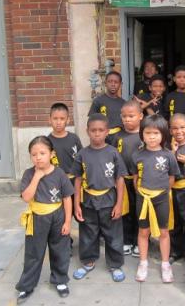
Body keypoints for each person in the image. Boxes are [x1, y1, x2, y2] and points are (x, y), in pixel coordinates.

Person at [16, 136, 73, 304]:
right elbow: (26, 197)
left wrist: (68, 222)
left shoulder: (60, 173)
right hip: (37, 218)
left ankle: (60, 280)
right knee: (34, 253)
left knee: (60, 250)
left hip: (58, 216)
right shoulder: (29, 173)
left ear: (51, 154)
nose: (38, 157)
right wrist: (37, 176)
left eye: (42, 153)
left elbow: (67, 198)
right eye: (34, 154)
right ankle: (27, 285)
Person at [72, 113, 128, 282]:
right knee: (88, 232)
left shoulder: (113, 153)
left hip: (109, 200)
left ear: (107, 132)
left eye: (101, 130)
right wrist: (76, 205)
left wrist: (119, 204)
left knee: (113, 234)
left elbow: (120, 179)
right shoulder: (82, 154)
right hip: (88, 199)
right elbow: (77, 180)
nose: (97, 133)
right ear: (87, 131)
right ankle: (88, 261)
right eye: (93, 130)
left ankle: (115, 264)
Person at [131, 114, 180, 283]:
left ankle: (165, 264)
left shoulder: (168, 155)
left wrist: (163, 192)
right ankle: (143, 263)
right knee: (143, 231)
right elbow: (135, 177)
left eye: (156, 133)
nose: (152, 137)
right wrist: (140, 192)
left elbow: (172, 177)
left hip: (161, 198)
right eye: (148, 133)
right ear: (142, 134)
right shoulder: (137, 155)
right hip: (143, 198)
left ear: (163, 135)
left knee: (164, 232)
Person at [110, 100, 144, 258]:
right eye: (124, 116)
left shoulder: (145, 135)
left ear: (140, 116)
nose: (127, 119)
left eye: (131, 116)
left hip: (141, 180)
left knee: (139, 211)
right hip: (122, 179)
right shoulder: (118, 136)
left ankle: (140, 241)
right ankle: (127, 240)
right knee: (125, 211)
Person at [47, 102, 83, 249]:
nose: (59, 122)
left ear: (68, 120)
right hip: (58, 183)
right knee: (61, 216)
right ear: (49, 119)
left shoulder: (74, 138)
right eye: (55, 118)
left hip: (75, 181)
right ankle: (65, 244)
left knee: (80, 211)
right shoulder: (47, 141)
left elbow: (82, 159)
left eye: (62, 118)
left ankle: (87, 242)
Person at [169, 113, 185, 263]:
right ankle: (176, 250)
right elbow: (166, 166)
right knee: (175, 222)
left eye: (182, 128)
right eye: (175, 128)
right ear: (170, 130)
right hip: (173, 189)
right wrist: (173, 151)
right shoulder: (168, 147)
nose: (179, 131)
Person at [88, 71, 126, 139]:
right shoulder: (98, 101)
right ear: (105, 83)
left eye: (116, 82)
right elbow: (92, 120)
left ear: (121, 84)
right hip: (103, 137)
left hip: (120, 137)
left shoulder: (123, 103)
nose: (113, 84)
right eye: (110, 81)